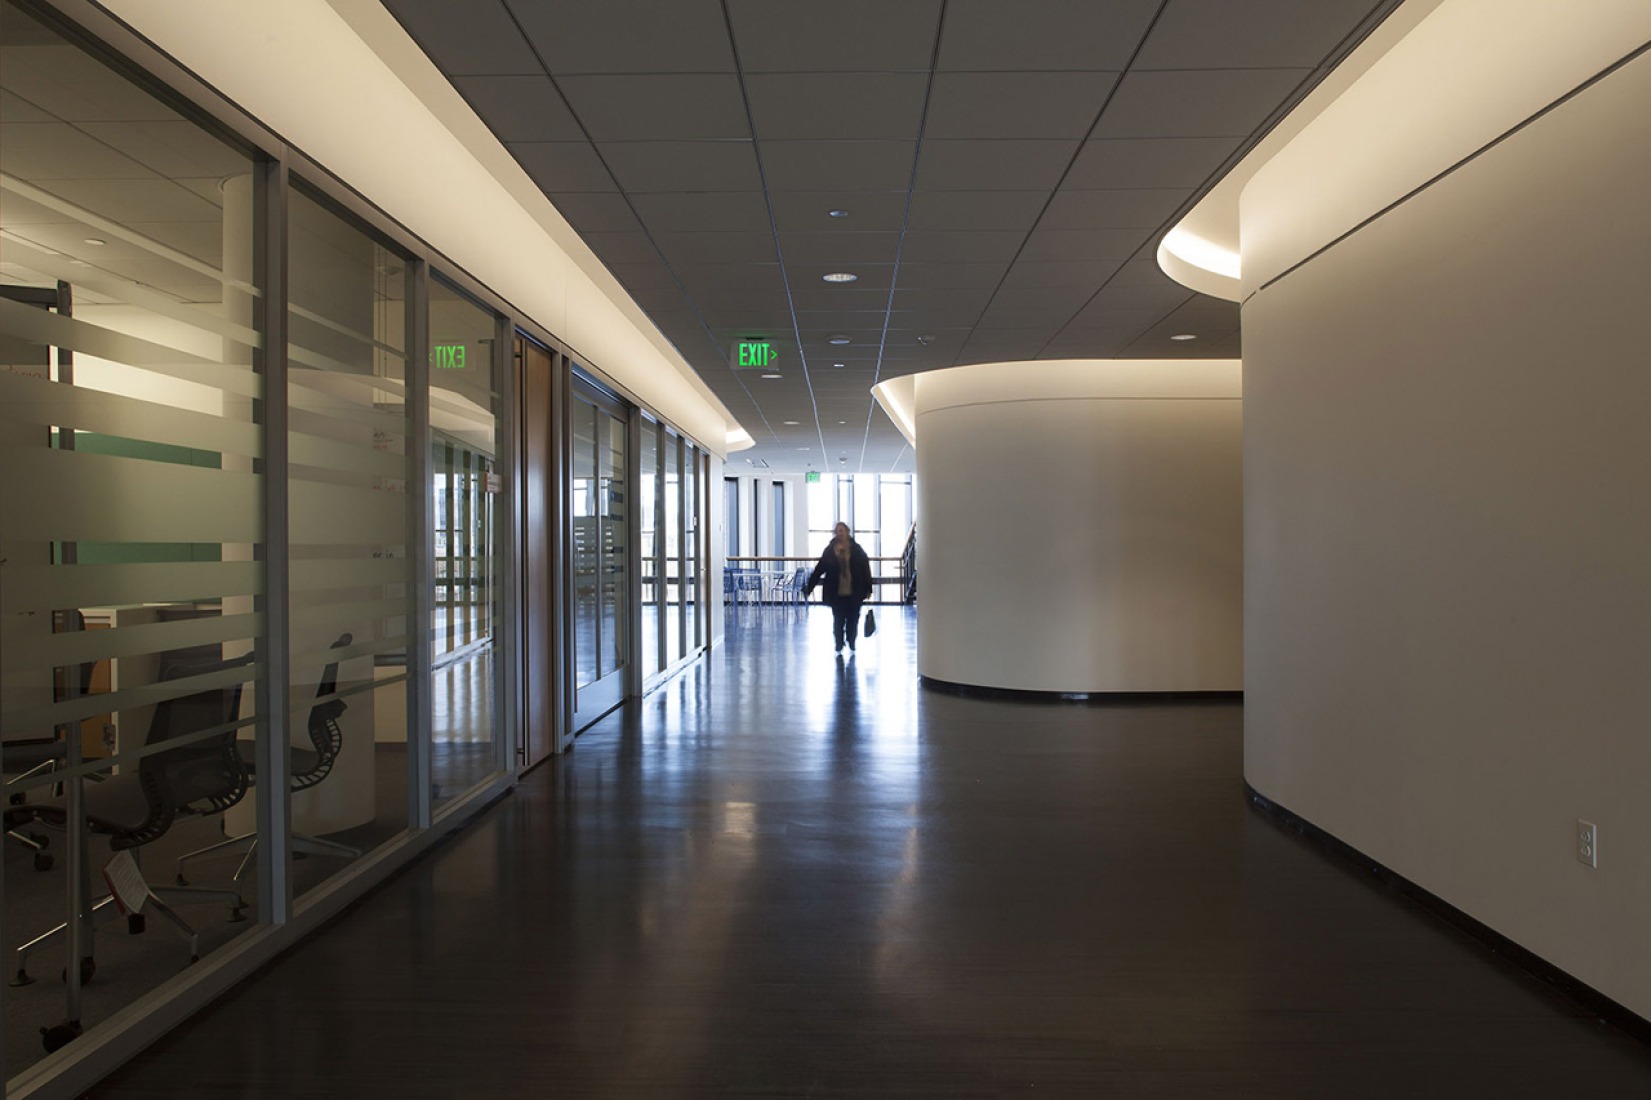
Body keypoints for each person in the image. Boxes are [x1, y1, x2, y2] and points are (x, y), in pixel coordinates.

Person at [804, 521, 873, 654]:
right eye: (837, 531)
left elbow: (865, 568)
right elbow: (819, 569)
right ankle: (839, 642)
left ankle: (851, 640)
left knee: (853, 619)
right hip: (836, 592)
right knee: (838, 619)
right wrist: (809, 587)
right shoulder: (830, 551)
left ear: (847, 532)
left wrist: (868, 588)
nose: (839, 533)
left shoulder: (857, 550)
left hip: (854, 591)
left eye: (842, 530)